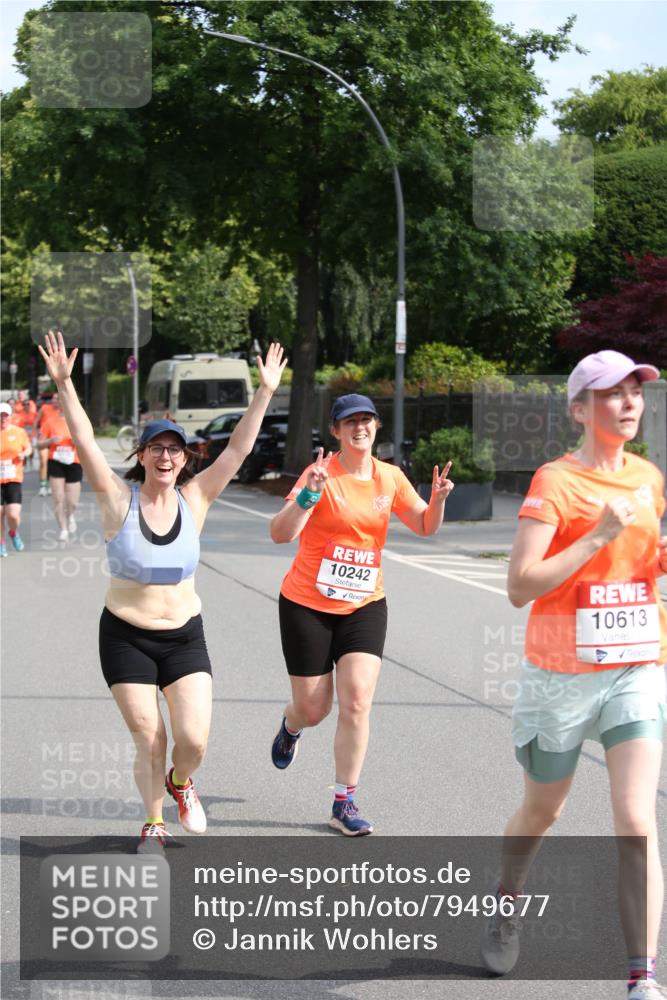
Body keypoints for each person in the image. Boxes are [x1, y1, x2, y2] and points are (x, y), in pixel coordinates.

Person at [38, 330, 287, 850]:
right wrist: (64, 386)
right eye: (157, 448)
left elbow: (239, 449)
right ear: (144, 455)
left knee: (192, 741)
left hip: (184, 638)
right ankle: (153, 822)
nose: (167, 457)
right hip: (125, 637)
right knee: (151, 736)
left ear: (185, 458)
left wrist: (264, 391)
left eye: (175, 449)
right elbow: (83, 440)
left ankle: (181, 782)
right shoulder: (116, 500)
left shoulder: (196, 498)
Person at [480, 351, 667, 1000]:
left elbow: (646, 562)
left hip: (634, 666)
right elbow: (518, 585)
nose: (627, 404)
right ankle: (507, 897)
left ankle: (641, 978)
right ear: (578, 409)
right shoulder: (553, 482)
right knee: (542, 808)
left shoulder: (648, 476)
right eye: (609, 394)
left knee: (634, 817)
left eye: (633, 393)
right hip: (559, 675)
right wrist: (593, 536)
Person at [270, 393, 454, 835]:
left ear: (376, 427)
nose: (360, 428)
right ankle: (292, 724)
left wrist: (439, 498)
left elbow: (426, 525)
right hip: (307, 604)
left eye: (367, 420)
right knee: (314, 708)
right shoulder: (320, 474)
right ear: (335, 431)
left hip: (364, 603)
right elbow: (280, 533)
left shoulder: (390, 478)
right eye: (350, 421)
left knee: (357, 700)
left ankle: (344, 802)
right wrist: (309, 494)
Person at [37, 390, 83, 541]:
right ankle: (63, 528)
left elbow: (87, 441)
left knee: (73, 501)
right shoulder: (50, 420)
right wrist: (50, 441)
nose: (60, 403)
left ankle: (70, 516)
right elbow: (39, 444)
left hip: (73, 461)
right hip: (56, 461)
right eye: (58, 400)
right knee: (58, 498)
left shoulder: (77, 419)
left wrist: (77, 441)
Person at [0, 402, 32, 557]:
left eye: (5, 415)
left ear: (10, 416)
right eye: (0, 415)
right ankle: (1, 543)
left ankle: (13, 532)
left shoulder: (19, 432)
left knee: (13, 514)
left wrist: (24, 454)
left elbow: (28, 448)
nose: (3, 418)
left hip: (13, 477)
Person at [34, 393, 57, 495]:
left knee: (53, 462)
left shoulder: (63, 411)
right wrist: (34, 435)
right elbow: (36, 422)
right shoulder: (45, 408)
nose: (57, 401)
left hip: (56, 440)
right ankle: (43, 485)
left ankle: (51, 484)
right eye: (55, 398)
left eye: (59, 399)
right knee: (44, 461)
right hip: (44, 438)